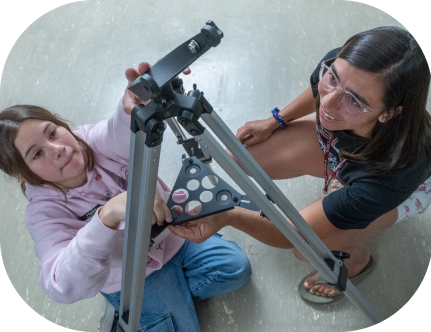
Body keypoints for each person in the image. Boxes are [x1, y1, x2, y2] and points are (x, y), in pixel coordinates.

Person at [168, 26, 431, 304]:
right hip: (348, 151)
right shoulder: (344, 66)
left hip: (396, 191)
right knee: (243, 155)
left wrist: (227, 215)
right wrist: (275, 121)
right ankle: (340, 186)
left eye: (353, 100)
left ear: (389, 113)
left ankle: (356, 261)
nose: (327, 104)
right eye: (332, 78)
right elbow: (321, 92)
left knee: (307, 247)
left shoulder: (388, 178)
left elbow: (294, 234)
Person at [0, 62, 251, 331]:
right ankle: (141, 308)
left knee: (236, 269)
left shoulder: (91, 141)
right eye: (37, 154)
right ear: (24, 174)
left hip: (173, 237)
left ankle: (160, 306)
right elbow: (59, 285)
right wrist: (106, 216)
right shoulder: (44, 211)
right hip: (129, 275)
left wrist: (135, 105)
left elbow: (120, 131)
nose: (58, 148)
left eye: (53, 132)